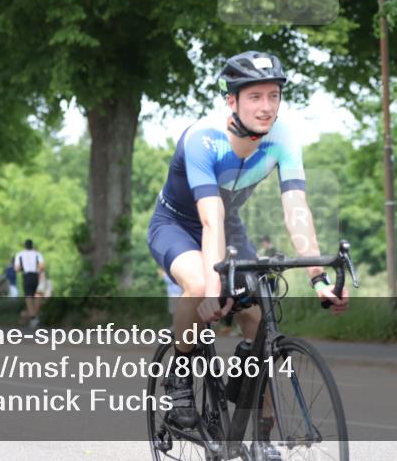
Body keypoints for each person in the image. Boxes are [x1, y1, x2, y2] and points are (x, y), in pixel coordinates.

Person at [146, 51, 349, 448]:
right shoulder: (203, 138)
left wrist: (318, 278)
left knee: (258, 317)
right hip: (178, 225)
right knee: (198, 283)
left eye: (273, 96)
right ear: (231, 101)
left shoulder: (283, 138)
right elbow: (210, 220)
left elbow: (297, 211)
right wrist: (212, 288)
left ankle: (260, 431)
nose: (267, 106)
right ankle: (181, 376)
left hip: (229, 225)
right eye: (255, 96)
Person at [15, 238, 45, 329]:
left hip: (26, 275)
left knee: (28, 296)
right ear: (32, 245)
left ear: (25, 245)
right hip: (36, 275)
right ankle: (34, 316)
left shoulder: (20, 254)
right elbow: (42, 266)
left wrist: (23, 267)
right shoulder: (37, 254)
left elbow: (16, 269)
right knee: (37, 295)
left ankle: (33, 317)